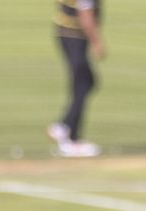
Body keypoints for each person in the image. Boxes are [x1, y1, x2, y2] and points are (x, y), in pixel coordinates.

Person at [46, 0, 105, 157]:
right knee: (82, 83)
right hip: (74, 37)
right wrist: (97, 42)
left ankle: (65, 126)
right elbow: (86, 16)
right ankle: (70, 137)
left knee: (86, 82)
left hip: (64, 33)